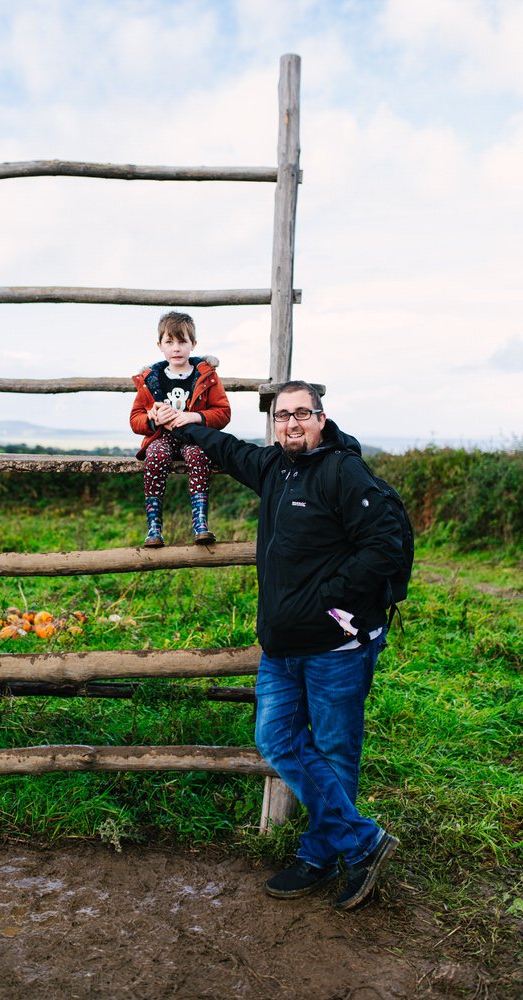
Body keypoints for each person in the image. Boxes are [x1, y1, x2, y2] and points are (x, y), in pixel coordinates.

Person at [168, 379, 402, 911]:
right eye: (282, 415)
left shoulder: (343, 471)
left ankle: (321, 855)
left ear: (321, 418)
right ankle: (362, 842)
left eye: (301, 414)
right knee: (275, 738)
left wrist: (328, 598)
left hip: (335, 646)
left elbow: (384, 546)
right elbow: (230, 450)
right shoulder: (274, 466)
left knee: (335, 751)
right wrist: (189, 425)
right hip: (282, 646)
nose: (291, 423)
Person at [130, 311, 231, 547]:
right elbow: (135, 419)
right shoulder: (150, 380)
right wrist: (153, 419)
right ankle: (154, 527)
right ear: (160, 346)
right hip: (162, 438)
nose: (176, 348)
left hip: (193, 438)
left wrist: (194, 416)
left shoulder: (206, 376)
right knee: (156, 455)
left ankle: (200, 523)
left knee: (199, 455)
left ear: (193, 344)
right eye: (169, 342)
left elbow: (223, 413)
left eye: (182, 341)